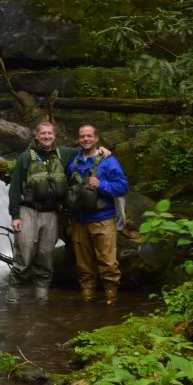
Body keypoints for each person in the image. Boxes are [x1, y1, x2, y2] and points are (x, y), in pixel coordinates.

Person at [5, 122, 109, 303]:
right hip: (28, 210)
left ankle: (41, 293)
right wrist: (15, 216)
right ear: (36, 136)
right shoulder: (25, 157)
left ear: (54, 135)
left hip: (51, 213)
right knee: (25, 251)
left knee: (46, 254)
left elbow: (86, 151)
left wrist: (101, 150)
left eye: (49, 133)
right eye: (43, 133)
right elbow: (15, 188)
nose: (46, 136)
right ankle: (13, 292)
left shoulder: (64, 154)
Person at [66, 124, 129, 305]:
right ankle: (88, 299)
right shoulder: (74, 162)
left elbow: (123, 187)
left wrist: (101, 184)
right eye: (82, 136)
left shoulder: (108, 161)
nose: (86, 139)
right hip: (79, 221)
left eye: (89, 136)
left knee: (108, 264)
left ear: (96, 138)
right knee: (84, 266)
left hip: (103, 220)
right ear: (79, 139)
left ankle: (111, 299)